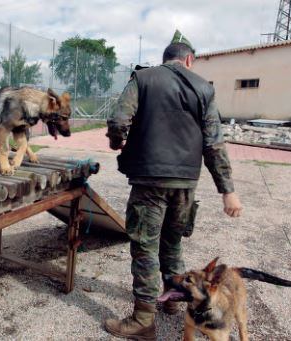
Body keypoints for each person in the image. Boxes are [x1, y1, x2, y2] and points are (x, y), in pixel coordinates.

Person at [104, 30, 243, 340]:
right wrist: (227, 191)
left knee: (145, 247)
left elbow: (118, 120)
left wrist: (117, 141)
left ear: (165, 59)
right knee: (173, 241)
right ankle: (171, 299)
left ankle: (143, 319)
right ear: (189, 60)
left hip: (149, 181)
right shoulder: (204, 88)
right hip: (185, 184)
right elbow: (214, 144)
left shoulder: (143, 79)